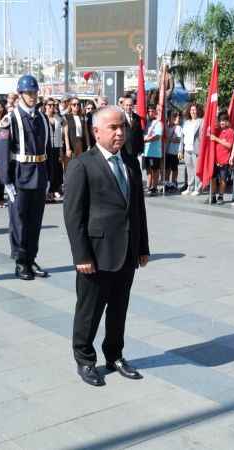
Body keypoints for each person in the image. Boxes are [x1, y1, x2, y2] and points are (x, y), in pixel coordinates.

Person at [63, 106, 150, 387]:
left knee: (119, 309)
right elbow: (73, 215)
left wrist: (142, 246)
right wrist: (81, 255)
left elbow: (138, 208)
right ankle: (85, 359)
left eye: (122, 127)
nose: (120, 132)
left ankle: (114, 355)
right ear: (96, 131)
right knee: (89, 310)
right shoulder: (82, 165)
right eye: (113, 127)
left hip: (126, 251)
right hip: (96, 255)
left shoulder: (130, 162)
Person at [0, 74, 50, 281]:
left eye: (35, 92)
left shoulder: (42, 118)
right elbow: (2, 152)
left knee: (35, 221)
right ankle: (20, 262)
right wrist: (6, 181)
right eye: (29, 93)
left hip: (39, 174)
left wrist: (50, 177)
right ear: (20, 94)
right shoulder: (11, 119)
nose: (33, 96)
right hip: (20, 176)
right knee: (19, 221)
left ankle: (31, 258)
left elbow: (48, 150)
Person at [209, 112, 234, 204]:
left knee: (223, 179)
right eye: (220, 120)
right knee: (213, 178)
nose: (222, 122)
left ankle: (221, 196)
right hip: (214, 160)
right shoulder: (216, 130)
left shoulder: (230, 131)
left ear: (227, 121)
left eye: (224, 120)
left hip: (224, 161)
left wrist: (216, 139)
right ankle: (213, 195)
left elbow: (229, 145)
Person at [43, 97, 64, 202]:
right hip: (46, 148)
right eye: (49, 105)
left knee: (55, 170)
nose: (52, 107)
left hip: (56, 147)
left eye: (53, 105)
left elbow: (60, 135)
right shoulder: (42, 117)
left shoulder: (58, 118)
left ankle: (51, 192)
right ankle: (46, 193)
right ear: (45, 106)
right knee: (47, 170)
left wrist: (60, 151)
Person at [181, 103, 202, 195]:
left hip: (196, 149)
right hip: (187, 149)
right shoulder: (186, 122)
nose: (193, 111)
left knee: (197, 170)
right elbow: (182, 137)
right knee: (189, 169)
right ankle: (190, 187)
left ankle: (198, 188)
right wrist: (180, 150)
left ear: (197, 111)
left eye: (194, 110)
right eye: (191, 110)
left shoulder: (201, 121)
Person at [142, 105, 163, 196]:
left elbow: (157, 136)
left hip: (154, 152)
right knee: (148, 170)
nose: (150, 113)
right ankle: (149, 186)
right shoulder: (146, 123)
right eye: (149, 111)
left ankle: (154, 187)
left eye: (152, 111)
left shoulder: (158, 123)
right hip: (146, 151)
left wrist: (147, 140)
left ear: (155, 112)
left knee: (155, 169)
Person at [164, 110, 183, 193]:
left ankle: (174, 183)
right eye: (173, 116)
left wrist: (170, 139)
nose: (175, 118)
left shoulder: (178, 128)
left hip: (175, 152)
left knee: (174, 168)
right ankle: (167, 184)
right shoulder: (167, 127)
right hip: (167, 151)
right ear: (169, 118)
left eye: (175, 116)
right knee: (167, 169)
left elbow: (179, 139)